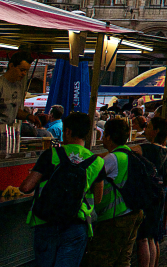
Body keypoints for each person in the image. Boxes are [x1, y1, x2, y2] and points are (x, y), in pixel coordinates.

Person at [20, 112, 105, 267]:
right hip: (76, 225)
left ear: (67, 131)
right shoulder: (97, 162)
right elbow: (98, 199)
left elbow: (26, 187)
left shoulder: (51, 154)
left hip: (46, 222)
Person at [81, 118, 145, 267]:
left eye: (104, 135)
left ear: (109, 136)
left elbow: (89, 180)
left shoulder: (112, 158)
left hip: (115, 217)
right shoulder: (129, 154)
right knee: (123, 258)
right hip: (134, 212)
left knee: (102, 259)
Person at [132, 116, 167, 267]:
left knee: (143, 238)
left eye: (148, 127)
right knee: (153, 237)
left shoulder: (145, 149)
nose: (145, 129)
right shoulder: (165, 150)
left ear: (156, 131)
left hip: (147, 194)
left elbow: (124, 150)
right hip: (159, 192)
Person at [0, 50, 32, 125]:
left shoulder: (18, 86)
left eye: (26, 71)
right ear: (11, 66)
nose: (24, 73)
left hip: (8, 131)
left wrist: (28, 116)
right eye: (22, 70)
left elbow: (14, 110)